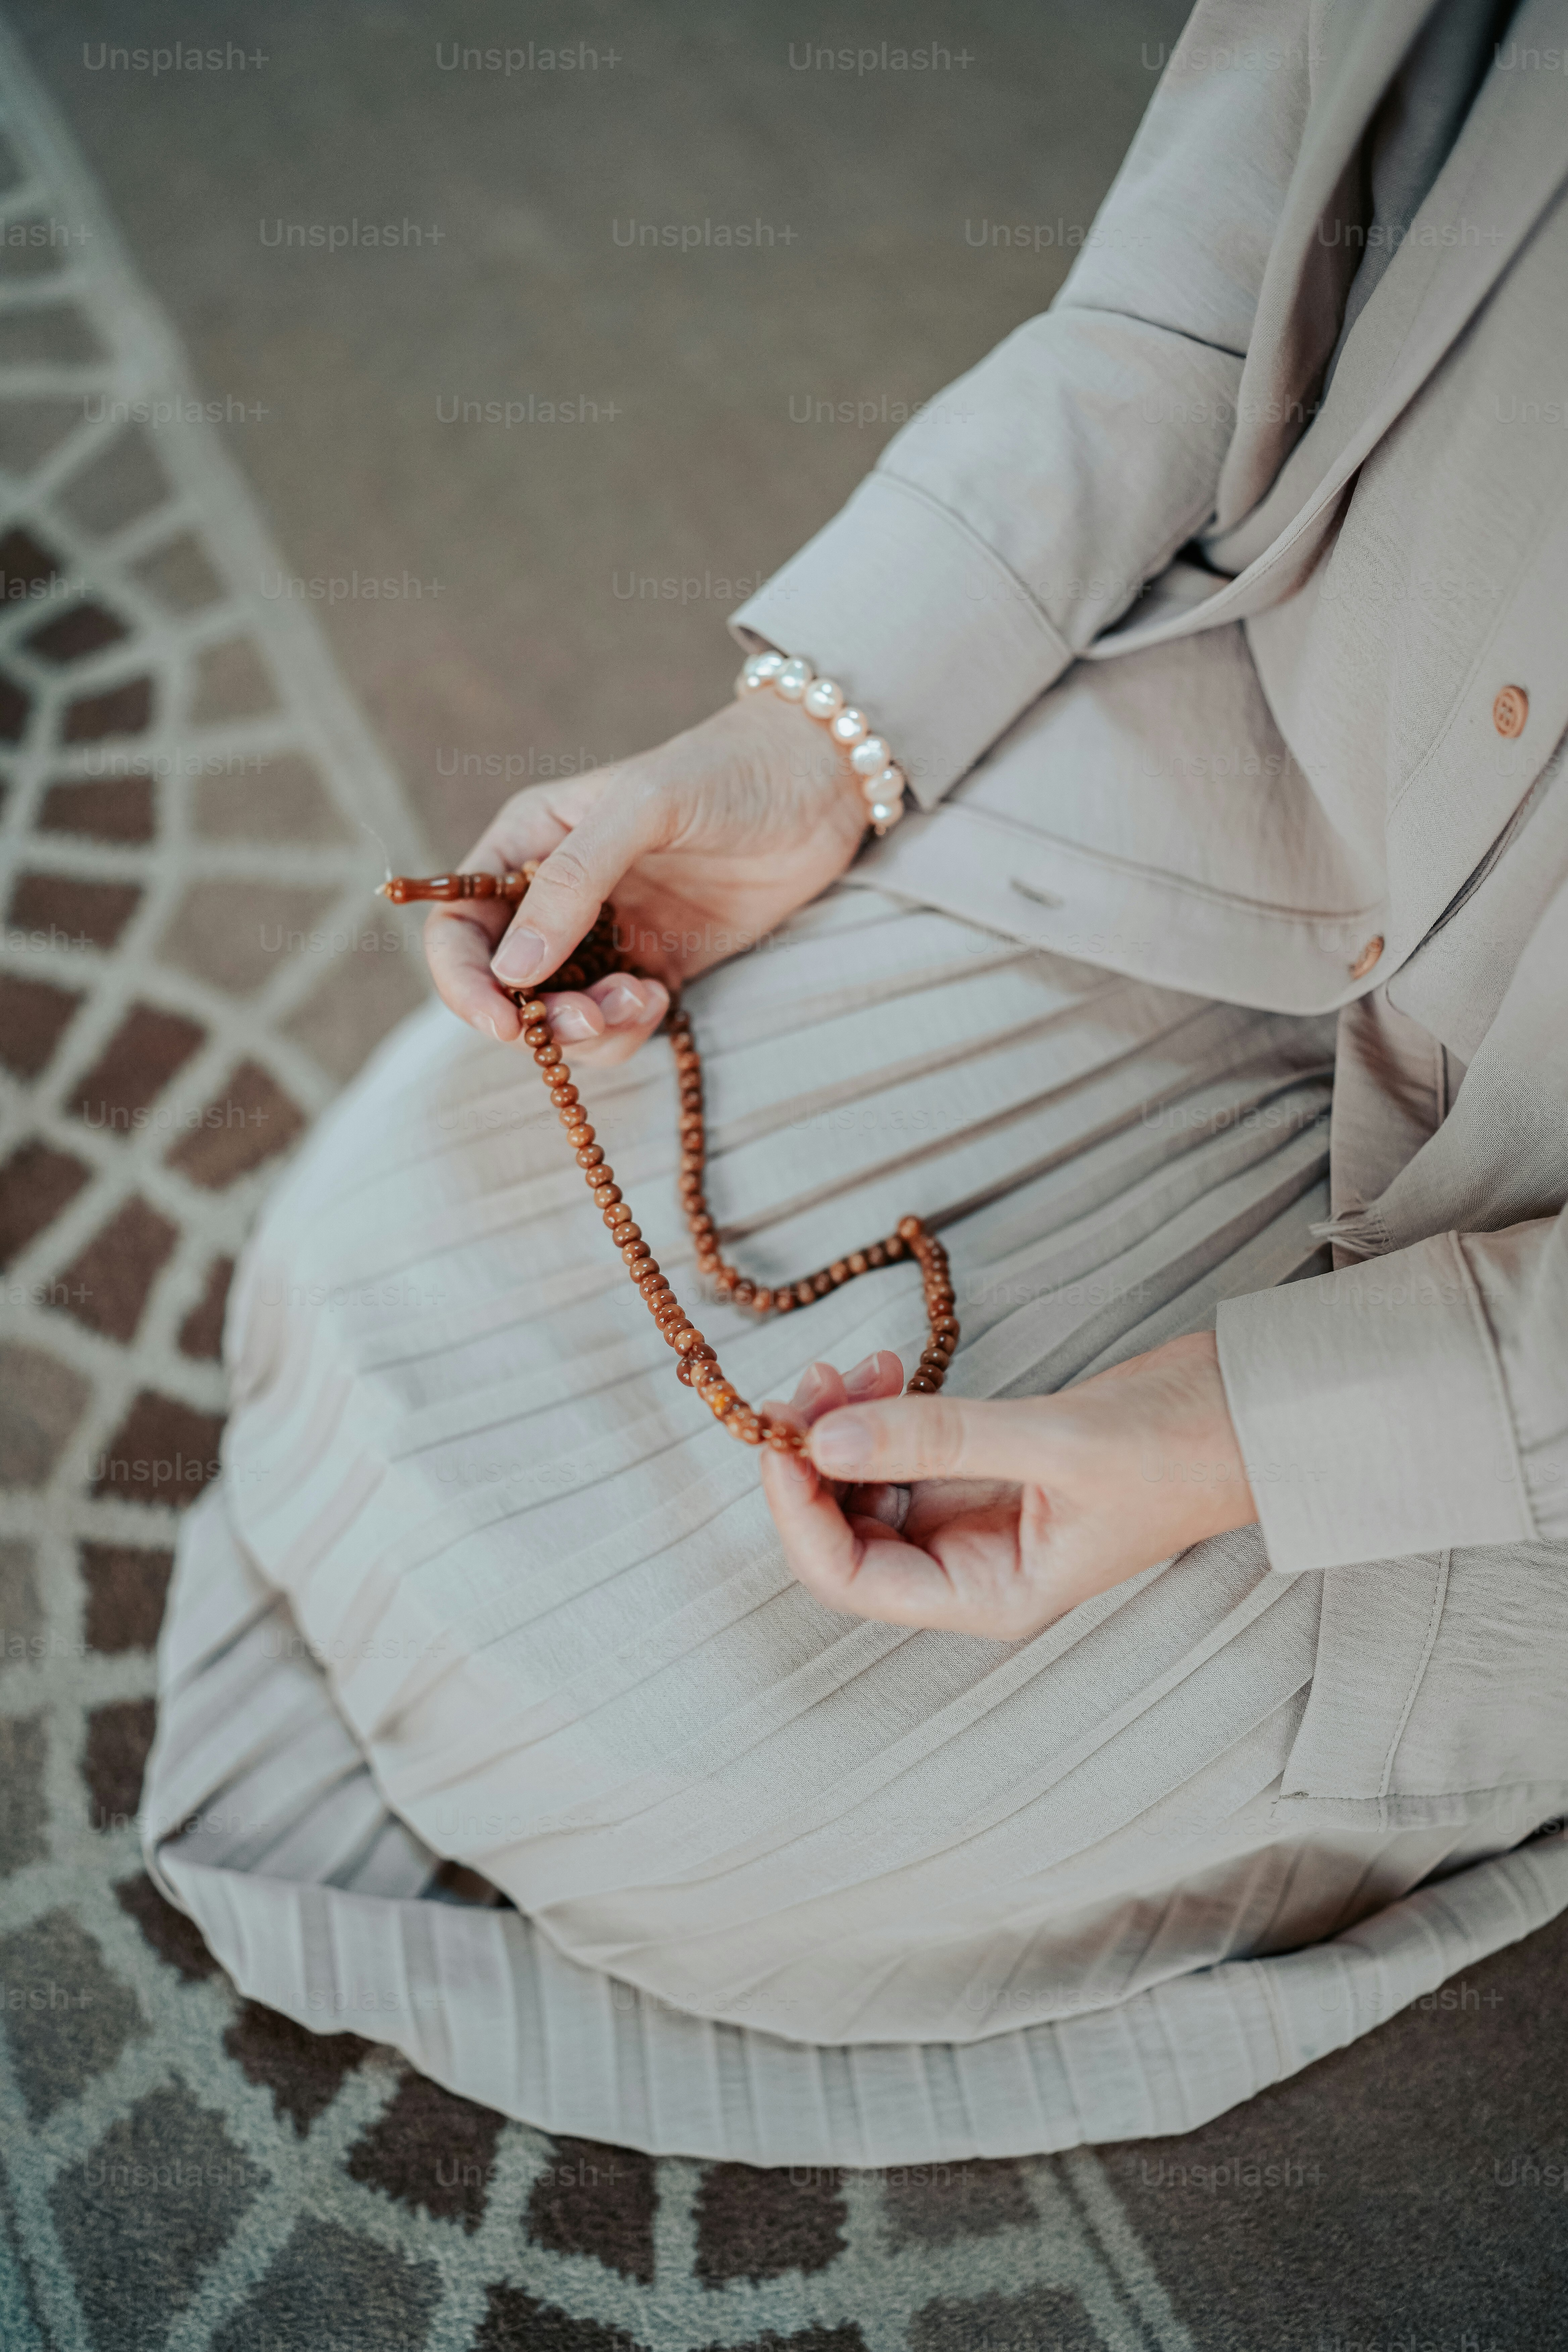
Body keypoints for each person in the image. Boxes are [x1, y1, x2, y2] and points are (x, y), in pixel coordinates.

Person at [144, 0, 1568, 2165]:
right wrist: (810, 752)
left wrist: (1232, 1436)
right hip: (1226, 821)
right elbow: (1213, 288)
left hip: (1506, 1318)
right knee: (366, 1267)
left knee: (694, 1753)